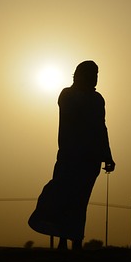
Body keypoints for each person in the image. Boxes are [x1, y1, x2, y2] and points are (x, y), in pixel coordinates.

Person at [29, 60, 116, 250]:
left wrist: (107, 156)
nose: (95, 79)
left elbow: (101, 128)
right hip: (69, 156)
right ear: (79, 75)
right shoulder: (68, 95)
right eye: (91, 74)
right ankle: (61, 240)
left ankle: (76, 239)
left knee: (80, 200)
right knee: (62, 195)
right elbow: (73, 116)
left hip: (90, 159)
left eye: (96, 75)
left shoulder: (97, 99)